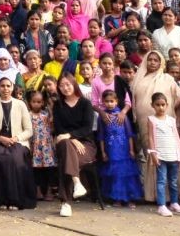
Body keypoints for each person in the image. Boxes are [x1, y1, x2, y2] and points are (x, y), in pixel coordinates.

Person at [131, 51, 180, 202]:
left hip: (166, 124)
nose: (153, 62)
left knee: (168, 156)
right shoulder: (138, 79)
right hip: (145, 123)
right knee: (151, 154)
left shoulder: (167, 79)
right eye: (150, 59)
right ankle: (152, 195)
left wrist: (178, 121)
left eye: (156, 60)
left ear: (161, 63)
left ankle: (174, 195)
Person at [0, 76, 36, 210]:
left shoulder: (20, 104)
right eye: (2, 86)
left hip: (18, 141)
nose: (5, 89)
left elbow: (29, 130)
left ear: (12, 88)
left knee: (14, 159)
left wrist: (16, 138)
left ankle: (15, 200)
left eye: (8, 86)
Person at [53, 73, 97, 217]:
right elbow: (59, 129)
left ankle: (65, 203)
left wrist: (71, 136)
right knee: (66, 147)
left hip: (85, 146)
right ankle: (77, 182)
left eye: (68, 84)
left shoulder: (85, 103)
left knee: (65, 160)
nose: (65, 88)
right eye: (61, 86)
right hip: (66, 143)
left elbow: (87, 128)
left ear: (74, 84)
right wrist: (72, 139)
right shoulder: (58, 105)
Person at [98, 89, 142, 207]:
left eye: (111, 101)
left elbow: (129, 134)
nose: (109, 104)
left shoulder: (122, 115)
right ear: (103, 102)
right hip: (111, 150)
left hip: (124, 149)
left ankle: (129, 199)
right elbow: (101, 136)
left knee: (126, 173)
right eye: (106, 101)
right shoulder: (102, 117)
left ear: (116, 101)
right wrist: (103, 152)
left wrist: (131, 150)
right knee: (115, 174)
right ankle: (117, 198)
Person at [147, 92, 180, 216]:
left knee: (173, 181)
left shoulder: (171, 120)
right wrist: (153, 154)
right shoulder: (151, 120)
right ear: (152, 105)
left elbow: (176, 137)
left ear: (167, 105)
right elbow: (150, 137)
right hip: (160, 155)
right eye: (157, 105)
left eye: (163, 105)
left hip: (173, 154)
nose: (161, 107)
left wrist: (179, 153)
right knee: (161, 181)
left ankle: (174, 203)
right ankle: (161, 205)